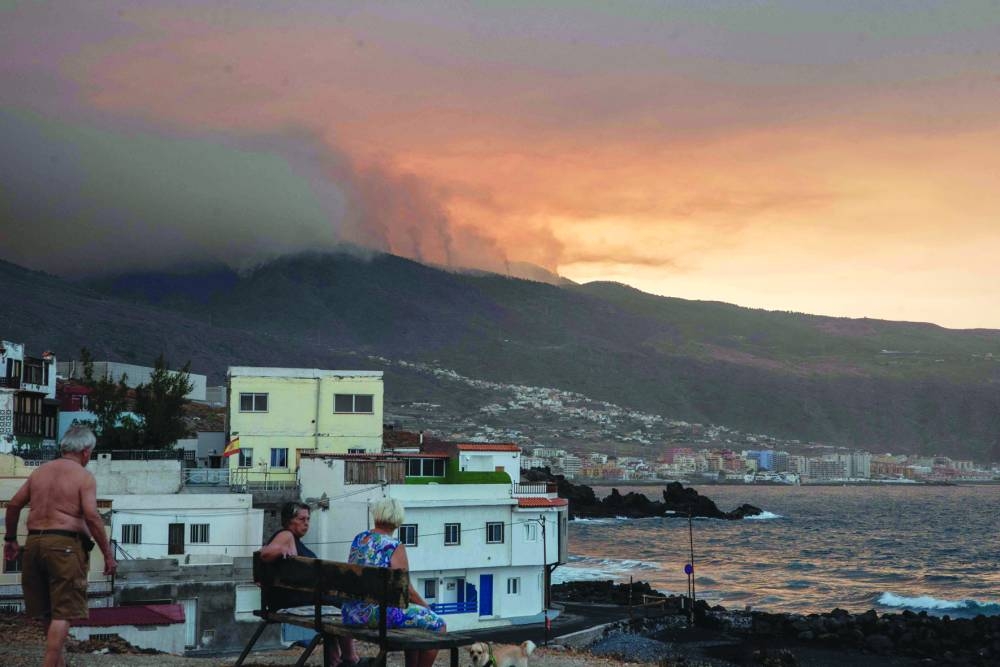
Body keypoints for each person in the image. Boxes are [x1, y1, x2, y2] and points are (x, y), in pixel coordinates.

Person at [3, 424, 117, 667]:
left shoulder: (40, 472)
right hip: (64, 546)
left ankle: (58, 663)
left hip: (33, 544)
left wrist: (10, 539)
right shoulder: (83, 477)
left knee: (47, 611)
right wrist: (108, 554)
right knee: (63, 612)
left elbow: (13, 506)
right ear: (86, 452)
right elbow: (92, 516)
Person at [342, 498, 446, 667]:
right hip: (376, 615)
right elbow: (407, 591)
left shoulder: (360, 539)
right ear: (397, 520)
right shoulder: (394, 545)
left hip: (351, 612)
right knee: (438, 625)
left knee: (414, 620)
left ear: (377, 515)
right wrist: (427, 608)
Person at [261, 502, 360, 667]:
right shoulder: (286, 535)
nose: (306, 523)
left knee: (333, 610)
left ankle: (336, 661)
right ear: (289, 520)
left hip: (291, 598)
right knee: (344, 605)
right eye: (302, 519)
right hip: (291, 601)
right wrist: (280, 551)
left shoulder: (291, 538)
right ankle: (351, 658)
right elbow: (265, 554)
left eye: (308, 519)